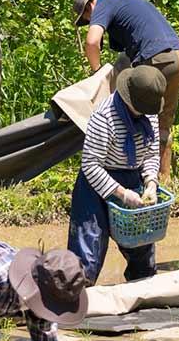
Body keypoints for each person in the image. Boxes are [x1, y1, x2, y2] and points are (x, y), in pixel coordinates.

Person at [73, 0, 179, 182]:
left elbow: (92, 42)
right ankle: (165, 180)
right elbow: (125, 58)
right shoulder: (127, 3)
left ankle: (130, 174)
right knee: (163, 122)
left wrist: (97, 72)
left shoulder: (103, 2)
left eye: (87, 19)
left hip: (156, 59)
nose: (90, 22)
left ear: (89, 7)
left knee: (131, 115)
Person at [69, 64, 165, 283]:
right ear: (130, 100)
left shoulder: (150, 113)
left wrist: (150, 182)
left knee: (142, 247)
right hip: (96, 184)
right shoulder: (104, 117)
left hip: (133, 178)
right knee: (87, 252)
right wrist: (121, 194)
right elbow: (91, 165)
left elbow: (150, 154)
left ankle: (142, 291)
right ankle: (79, 301)